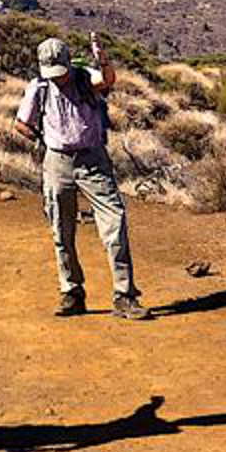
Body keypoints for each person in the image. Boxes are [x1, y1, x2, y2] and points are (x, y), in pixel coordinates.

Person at [14, 35, 152, 321]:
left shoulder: (84, 77)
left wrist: (102, 56)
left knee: (114, 224)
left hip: (93, 160)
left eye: (61, 73)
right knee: (61, 229)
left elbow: (108, 80)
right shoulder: (39, 86)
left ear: (68, 63)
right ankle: (71, 292)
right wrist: (42, 139)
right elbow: (20, 123)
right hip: (57, 162)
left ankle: (124, 295)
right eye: (52, 73)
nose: (58, 79)